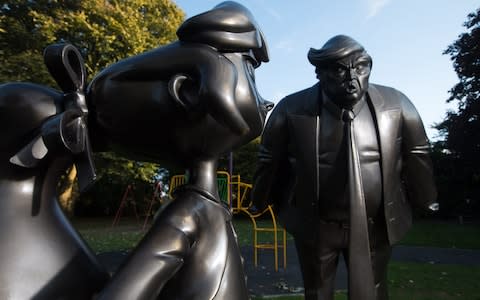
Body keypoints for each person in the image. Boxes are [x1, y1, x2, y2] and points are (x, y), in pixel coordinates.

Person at [89, 2, 273, 299]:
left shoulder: (211, 208)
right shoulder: (187, 215)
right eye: (249, 73)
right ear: (188, 92)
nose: (265, 102)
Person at [252, 35, 438, 300]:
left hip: (376, 224)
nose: (352, 78)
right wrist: (260, 199)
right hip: (315, 223)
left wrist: (426, 197)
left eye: (360, 67)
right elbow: (269, 157)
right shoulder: (291, 109)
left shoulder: (397, 105)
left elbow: (417, 152)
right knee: (316, 290)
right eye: (340, 69)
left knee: (374, 289)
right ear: (320, 73)